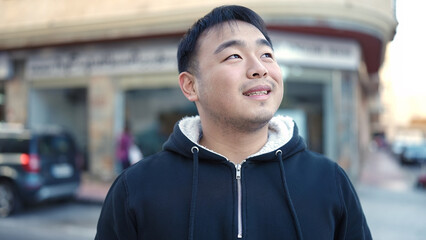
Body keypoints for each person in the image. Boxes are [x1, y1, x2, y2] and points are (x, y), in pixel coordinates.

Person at [95, 5, 372, 240]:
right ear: (191, 86)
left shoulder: (329, 181)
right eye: (234, 56)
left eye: (266, 55)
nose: (260, 68)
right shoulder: (136, 189)